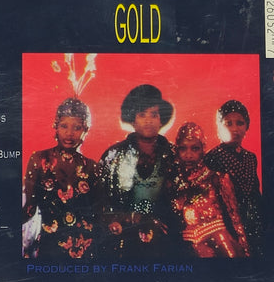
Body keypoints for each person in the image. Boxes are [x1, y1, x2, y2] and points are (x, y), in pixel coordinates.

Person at [99, 84, 175, 259]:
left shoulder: (174, 155)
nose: (148, 121)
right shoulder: (113, 155)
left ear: (161, 120)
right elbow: (101, 202)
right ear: (132, 120)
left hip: (165, 237)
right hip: (122, 236)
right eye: (142, 115)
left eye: (154, 115)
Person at [22, 98, 100, 260]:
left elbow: (99, 212)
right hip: (49, 244)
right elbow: (29, 208)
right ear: (55, 126)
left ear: (86, 130)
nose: (69, 133)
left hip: (84, 248)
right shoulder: (39, 160)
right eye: (64, 126)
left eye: (77, 127)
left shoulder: (92, 167)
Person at [166, 122, 249, 258]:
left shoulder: (216, 177)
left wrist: (245, 251)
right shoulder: (173, 183)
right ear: (177, 150)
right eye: (183, 149)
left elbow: (236, 220)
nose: (188, 155)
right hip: (189, 249)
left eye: (195, 149)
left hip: (220, 244)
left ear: (203, 149)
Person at [204, 100, 263, 255]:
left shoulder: (250, 157)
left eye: (240, 123)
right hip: (227, 224)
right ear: (219, 127)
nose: (235, 129)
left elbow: (255, 193)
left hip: (253, 220)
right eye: (228, 123)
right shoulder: (212, 157)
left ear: (247, 126)